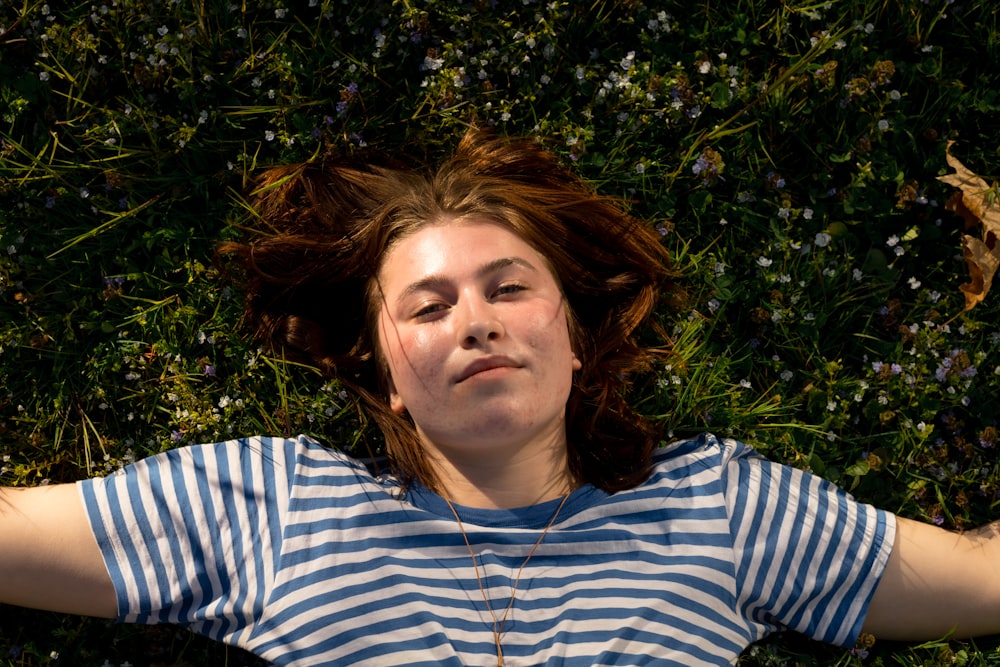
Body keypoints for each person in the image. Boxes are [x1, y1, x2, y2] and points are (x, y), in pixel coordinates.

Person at [1, 128, 999, 666]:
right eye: (427, 307)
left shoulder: (722, 511)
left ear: (574, 333)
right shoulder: (270, 504)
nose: (473, 320)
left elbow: (982, 580)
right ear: (383, 375)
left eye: (508, 287)